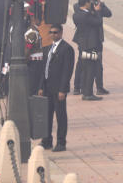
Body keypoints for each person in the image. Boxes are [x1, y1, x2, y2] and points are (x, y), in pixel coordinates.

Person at [38, 24, 74, 152]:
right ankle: (46, 140)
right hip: (47, 87)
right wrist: (41, 86)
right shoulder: (47, 48)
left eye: (56, 32)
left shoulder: (67, 49)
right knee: (47, 115)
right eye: (51, 32)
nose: (53, 35)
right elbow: (44, 69)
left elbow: (67, 71)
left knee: (60, 116)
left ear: (61, 33)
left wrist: (63, 89)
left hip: (58, 88)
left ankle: (61, 142)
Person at [71, 0, 103, 100]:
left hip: (82, 45)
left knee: (85, 68)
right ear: (86, 3)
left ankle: (85, 91)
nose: (91, 4)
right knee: (91, 68)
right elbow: (98, 22)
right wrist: (97, 11)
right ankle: (88, 93)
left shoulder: (76, 15)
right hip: (91, 46)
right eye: (90, 2)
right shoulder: (87, 16)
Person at [84, 0, 110, 95]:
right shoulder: (97, 6)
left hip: (85, 42)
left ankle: (80, 87)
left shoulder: (81, 5)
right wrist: (99, 7)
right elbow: (107, 14)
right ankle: (99, 87)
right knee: (97, 65)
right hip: (95, 41)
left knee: (85, 64)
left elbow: (109, 14)